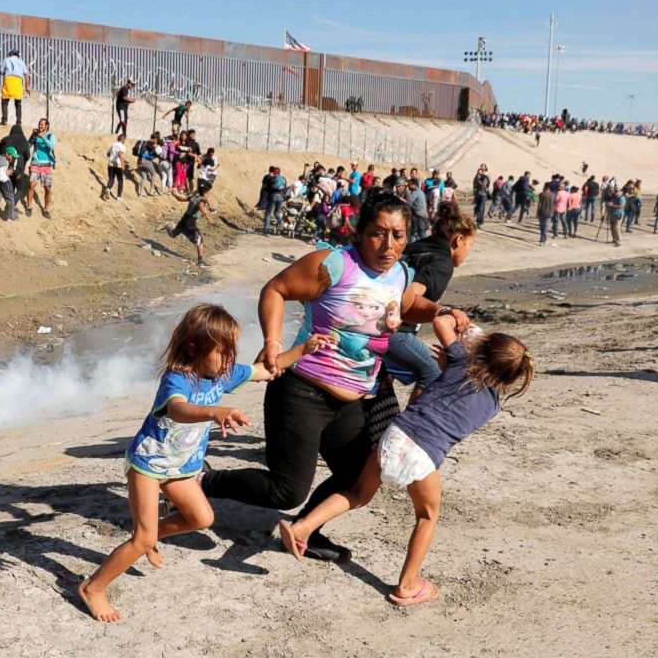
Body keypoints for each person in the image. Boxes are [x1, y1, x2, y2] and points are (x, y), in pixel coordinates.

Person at [201, 193, 471, 563]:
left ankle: (306, 530)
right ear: (359, 232)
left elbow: (407, 306)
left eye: (398, 235)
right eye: (378, 233)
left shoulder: (400, 274)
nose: (388, 245)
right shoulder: (334, 264)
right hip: (301, 390)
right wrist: (273, 342)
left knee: (358, 477)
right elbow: (276, 290)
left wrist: (441, 309)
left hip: (355, 398)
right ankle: (200, 483)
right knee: (285, 491)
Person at [77, 303, 336, 622]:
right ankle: (93, 587)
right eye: (222, 353)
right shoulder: (179, 379)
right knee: (142, 537)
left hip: (180, 467)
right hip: (149, 464)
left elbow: (267, 370)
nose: (229, 361)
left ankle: (151, 536)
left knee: (201, 518)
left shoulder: (223, 375)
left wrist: (305, 349)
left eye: (232, 353)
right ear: (193, 348)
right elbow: (177, 410)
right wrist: (215, 412)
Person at [279, 317, 533, 607]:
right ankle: (408, 585)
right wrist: (459, 359)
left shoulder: (460, 360)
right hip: (424, 453)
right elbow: (457, 403)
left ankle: (302, 528)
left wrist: (467, 328)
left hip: (395, 434)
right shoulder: (491, 404)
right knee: (427, 517)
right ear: (513, 379)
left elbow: (440, 322)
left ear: (482, 348)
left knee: (358, 494)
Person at [386, 201, 477, 399]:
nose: (468, 252)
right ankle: (412, 427)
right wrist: (443, 311)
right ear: (458, 240)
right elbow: (409, 294)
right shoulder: (442, 263)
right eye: (470, 246)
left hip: (370, 320)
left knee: (383, 382)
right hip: (393, 330)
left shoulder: (416, 247)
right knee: (433, 372)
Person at [165, 179, 216, 269]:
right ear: (205, 192)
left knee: (173, 235)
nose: (209, 195)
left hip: (184, 220)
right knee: (200, 241)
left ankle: (168, 227)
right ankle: (200, 261)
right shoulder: (202, 200)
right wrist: (208, 216)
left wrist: (175, 195)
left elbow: (181, 198)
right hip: (190, 224)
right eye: (208, 193)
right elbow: (201, 207)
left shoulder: (193, 196)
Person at [0, 123, 31, 213]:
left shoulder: (6, 139)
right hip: (18, 169)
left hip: (6, 168)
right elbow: (27, 155)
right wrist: (23, 161)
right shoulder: (24, 140)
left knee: (10, 187)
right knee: (22, 187)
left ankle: (9, 207)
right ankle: (11, 206)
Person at [26, 118, 56, 219]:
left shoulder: (50, 136)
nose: (39, 126)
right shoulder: (36, 136)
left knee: (48, 189)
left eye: (42, 124)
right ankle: (29, 207)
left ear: (46, 125)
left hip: (46, 165)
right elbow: (27, 146)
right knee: (31, 185)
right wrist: (32, 136)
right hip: (35, 164)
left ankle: (46, 209)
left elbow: (51, 146)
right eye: (39, 124)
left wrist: (43, 137)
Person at [0, 48, 30, 126]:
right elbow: (26, 75)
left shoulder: (7, 60)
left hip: (9, 80)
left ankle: (4, 120)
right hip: (18, 81)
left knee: (4, 101)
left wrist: (3, 71)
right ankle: (18, 122)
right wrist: (27, 87)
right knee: (18, 103)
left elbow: (1, 71)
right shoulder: (22, 62)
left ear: (11, 54)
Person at [0, 147, 20, 223]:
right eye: (13, 156)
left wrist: (4, 173)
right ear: (7, 154)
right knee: (10, 197)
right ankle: (11, 216)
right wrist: (7, 179)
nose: (13, 159)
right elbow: (2, 177)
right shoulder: (5, 162)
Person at [103, 133, 128, 201]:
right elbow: (120, 154)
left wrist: (112, 156)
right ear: (123, 139)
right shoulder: (122, 146)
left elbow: (108, 154)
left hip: (110, 164)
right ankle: (119, 197)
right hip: (118, 165)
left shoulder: (113, 144)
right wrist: (123, 165)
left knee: (111, 179)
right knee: (120, 181)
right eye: (125, 139)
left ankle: (108, 188)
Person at [263, 167, 287, 235]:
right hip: (281, 197)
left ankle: (266, 231)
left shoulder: (272, 178)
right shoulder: (283, 179)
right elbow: (285, 188)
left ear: (274, 172)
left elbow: (267, 187)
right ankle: (281, 221)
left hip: (273, 196)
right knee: (276, 212)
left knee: (268, 213)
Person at [405, 178, 429, 243]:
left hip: (419, 215)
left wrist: (403, 197)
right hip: (421, 215)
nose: (408, 187)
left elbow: (409, 202)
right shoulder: (420, 192)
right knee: (415, 232)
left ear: (414, 185)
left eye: (409, 185)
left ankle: (427, 245)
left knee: (420, 233)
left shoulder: (416, 192)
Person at [536, 182, 554, 246]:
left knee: (542, 227)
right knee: (545, 227)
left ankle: (542, 240)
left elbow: (539, 204)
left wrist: (537, 213)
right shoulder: (553, 195)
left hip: (542, 212)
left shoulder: (542, 194)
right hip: (549, 213)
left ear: (546, 186)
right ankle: (543, 240)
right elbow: (554, 205)